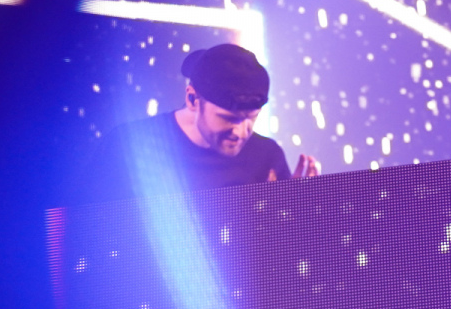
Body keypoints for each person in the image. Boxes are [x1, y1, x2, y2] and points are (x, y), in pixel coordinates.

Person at [80, 42, 317, 203]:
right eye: (229, 119)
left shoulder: (266, 156)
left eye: (251, 118)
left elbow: (283, 245)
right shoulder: (129, 147)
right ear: (193, 99)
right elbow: (81, 228)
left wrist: (296, 206)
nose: (240, 132)